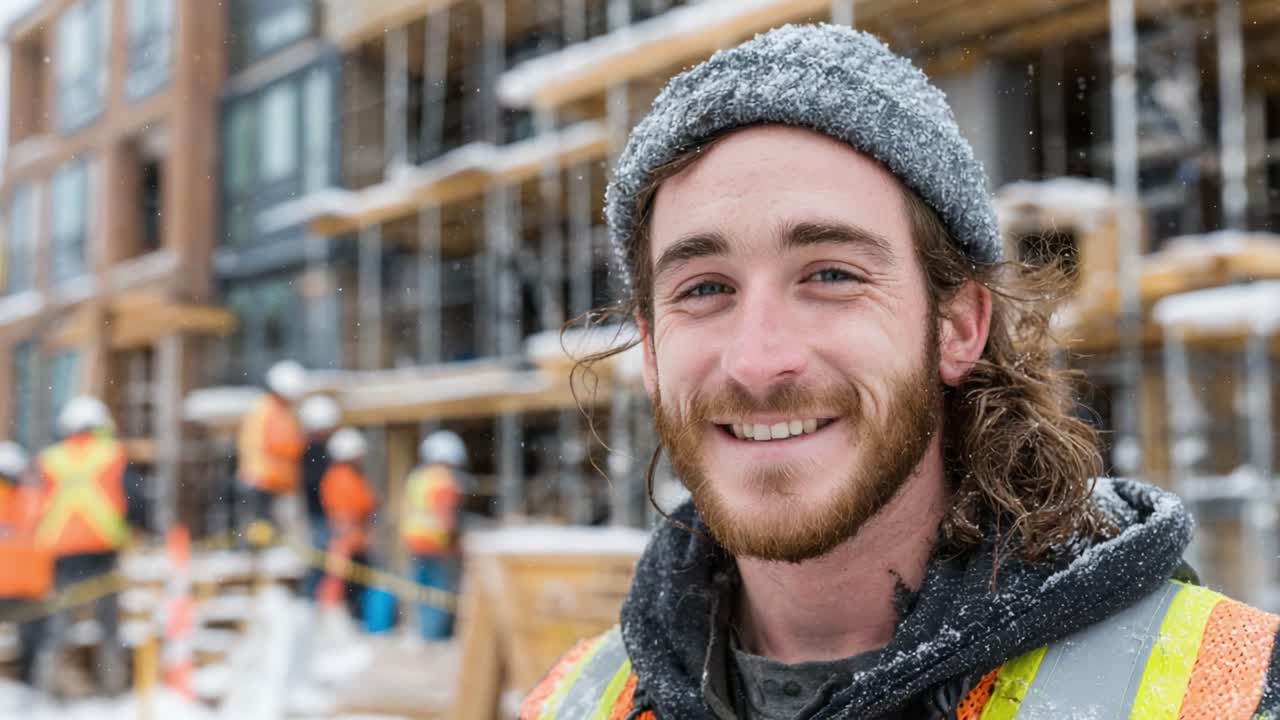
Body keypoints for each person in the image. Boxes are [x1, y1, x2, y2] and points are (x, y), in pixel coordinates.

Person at [524, 24, 1280, 719]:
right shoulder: (572, 702)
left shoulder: (1225, 694)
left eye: (831, 275)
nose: (757, 360)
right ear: (651, 352)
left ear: (958, 326)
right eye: (705, 289)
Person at [32, 397, 144, 695]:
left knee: (59, 626)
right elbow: (134, 496)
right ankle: (112, 688)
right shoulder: (111, 454)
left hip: (61, 555)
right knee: (108, 625)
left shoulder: (49, 460)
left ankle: (51, 689)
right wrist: (136, 528)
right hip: (102, 552)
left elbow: (35, 507)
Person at [400, 430, 465, 640]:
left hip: (413, 539)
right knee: (438, 591)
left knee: (421, 588)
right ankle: (432, 634)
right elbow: (445, 516)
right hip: (435, 542)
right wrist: (456, 542)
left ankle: (421, 631)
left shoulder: (417, 477)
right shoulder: (444, 480)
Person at [236, 360, 307, 542]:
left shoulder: (266, 408)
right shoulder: (271, 411)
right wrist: (301, 443)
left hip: (265, 480)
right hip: (265, 480)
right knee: (261, 531)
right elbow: (281, 444)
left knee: (261, 529)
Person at [319, 427, 377, 621]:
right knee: (344, 588)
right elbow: (345, 514)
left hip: (351, 541)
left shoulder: (342, 477)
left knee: (350, 588)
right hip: (348, 543)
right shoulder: (342, 478)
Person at [298, 395, 341, 599]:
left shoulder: (315, 451)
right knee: (319, 560)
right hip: (318, 514)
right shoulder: (312, 452)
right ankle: (311, 598)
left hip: (320, 513)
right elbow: (315, 484)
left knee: (322, 560)